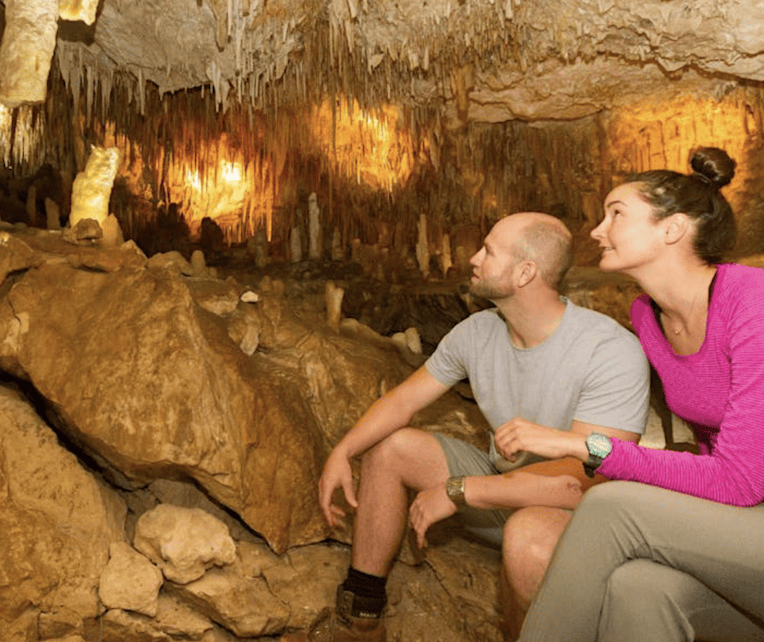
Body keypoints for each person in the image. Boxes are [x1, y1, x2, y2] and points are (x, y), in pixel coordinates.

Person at [283, 212, 651, 642]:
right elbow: (404, 401)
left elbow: (582, 482)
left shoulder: (609, 351)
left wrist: (460, 490)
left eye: (489, 250)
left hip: (576, 513)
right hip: (502, 483)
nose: (474, 258)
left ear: (524, 272)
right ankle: (362, 614)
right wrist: (343, 452)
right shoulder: (477, 332)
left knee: (527, 534)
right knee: (393, 448)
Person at [510, 147, 764, 642]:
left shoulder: (752, 301)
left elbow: (740, 480)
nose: (596, 231)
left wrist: (584, 446)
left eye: (616, 214)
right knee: (637, 587)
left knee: (612, 507)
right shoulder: (647, 317)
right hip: (748, 530)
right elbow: (718, 452)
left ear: (672, 229)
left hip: (751, 508)